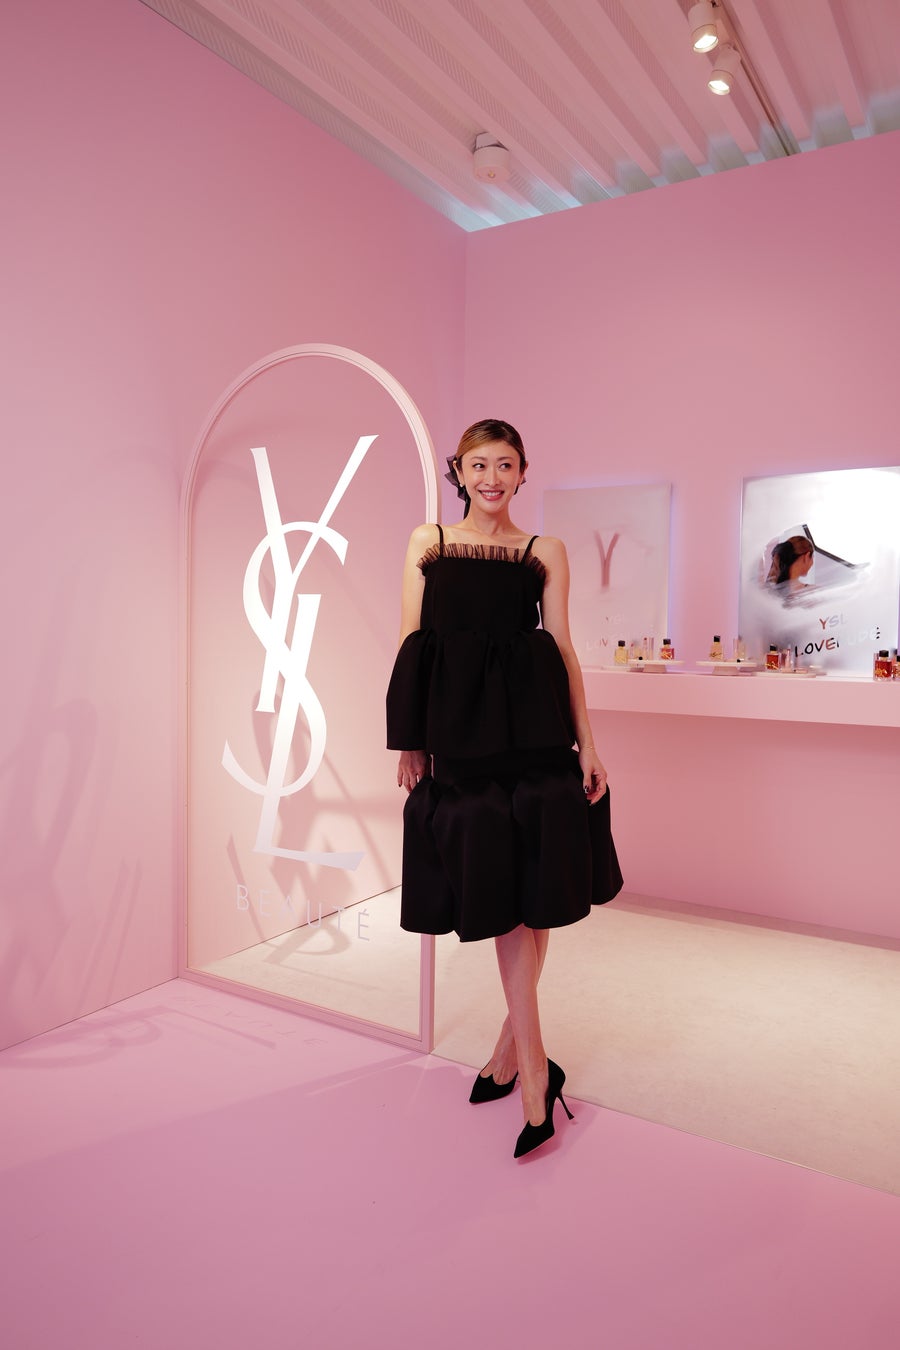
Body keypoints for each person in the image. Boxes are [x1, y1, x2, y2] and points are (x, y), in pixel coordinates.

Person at [386, 419, 623, 1159]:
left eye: (506, 465)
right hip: (462, 742)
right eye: (479, 464)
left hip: (536, 736)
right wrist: (411, 739)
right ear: (459, 472)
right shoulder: (428, 541)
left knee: (534, 891)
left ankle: (522, 1066)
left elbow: (563, 649)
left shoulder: (543, 550)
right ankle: (532, 1060)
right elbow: (412, 643)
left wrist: (589, 743)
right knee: (501, 897)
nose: (492, 477)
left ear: (523, 473)